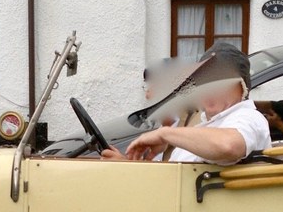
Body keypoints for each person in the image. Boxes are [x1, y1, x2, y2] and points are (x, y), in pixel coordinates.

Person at [103, 42, 271, 165]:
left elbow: (229, 145)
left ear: (241, 88)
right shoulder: (209, 123)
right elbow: (175, 177)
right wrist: (126, 165)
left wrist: (165, 134)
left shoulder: (248, 118)